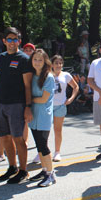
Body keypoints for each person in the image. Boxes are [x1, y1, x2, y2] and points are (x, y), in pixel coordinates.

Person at [0, 27, 33, 184]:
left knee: (18, 138)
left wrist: (28, 106)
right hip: (1, 103)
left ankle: (23, 171)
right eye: (9, 39)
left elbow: (28, 85)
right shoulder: (1, 58)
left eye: (15, 39)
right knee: (4, 137)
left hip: (17, 104)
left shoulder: (23, 59)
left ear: (19, 41)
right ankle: (12, 167)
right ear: (4, 41)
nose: (12, 42)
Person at [27, 49, 57, 187]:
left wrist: (27, 100)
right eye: (35, 59)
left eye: (40, 60)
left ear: (45, 61)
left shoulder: (49, 77)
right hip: (33, 116)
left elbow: (44, 99)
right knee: (39, 146)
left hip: (43, 116)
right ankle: (44, 171)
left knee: (43, 146)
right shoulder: (32, 76)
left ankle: (51, 175)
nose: (37, 62)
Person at [49, 55, 79, 162]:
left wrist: (71, 99)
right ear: (51, 64)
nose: (58, 65)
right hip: (47, 106)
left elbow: (76, 87)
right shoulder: (47, 75)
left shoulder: (66, 75)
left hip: (60, 106)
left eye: (60, 63)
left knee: (57, 130)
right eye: (56, 63)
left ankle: (57, 152)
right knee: (44, 131)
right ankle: (43, 152)